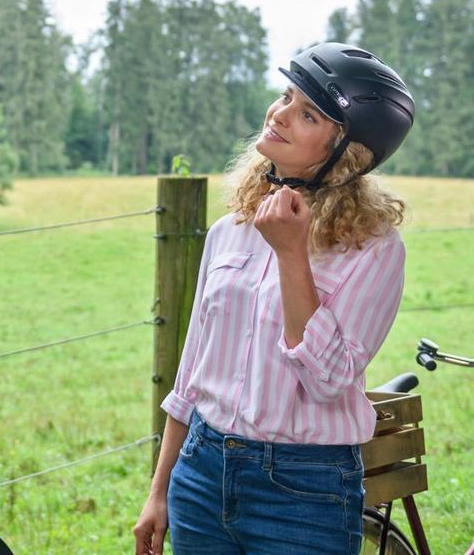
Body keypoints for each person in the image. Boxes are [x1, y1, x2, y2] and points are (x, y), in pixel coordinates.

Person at [133, 42, 415, 555]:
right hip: (201, 474)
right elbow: (192, 372)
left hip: (305, 491)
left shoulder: (373, 251)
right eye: (286, 96)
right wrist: (160, 490)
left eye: (306, 113)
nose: (279, 114)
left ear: (346, 154)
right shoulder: (229, 231)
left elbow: (328, 381)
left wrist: (291, 256)